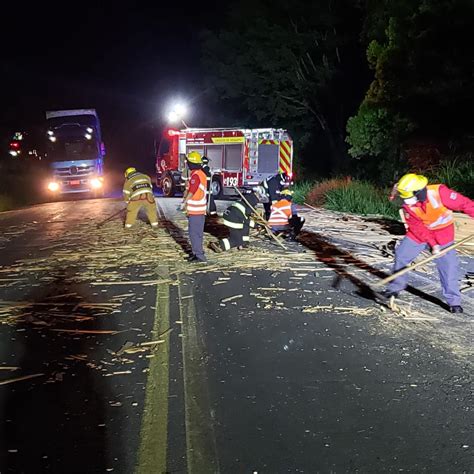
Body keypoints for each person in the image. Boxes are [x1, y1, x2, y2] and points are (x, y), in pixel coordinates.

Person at [383, 173, 474, 313]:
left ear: (419, 192)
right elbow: (417, 227)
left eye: (409, 197)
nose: (407, 201)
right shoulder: (408, 205)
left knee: (449, 266)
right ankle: (395, 288)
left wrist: (437, 244)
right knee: (402, 255)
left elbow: (466, 205)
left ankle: (454, 302)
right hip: (419, 235)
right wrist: (432, 244)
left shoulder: (440, 193)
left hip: (443, 236)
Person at [181, 151, 208, 262]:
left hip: (196, 211)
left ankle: (199, 256)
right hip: (198, 211)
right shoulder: (198, 173)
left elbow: (193, 190)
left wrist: (184, 202)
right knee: (196, 233)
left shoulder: (196, 175)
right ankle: (197, 252)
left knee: (194, 234)